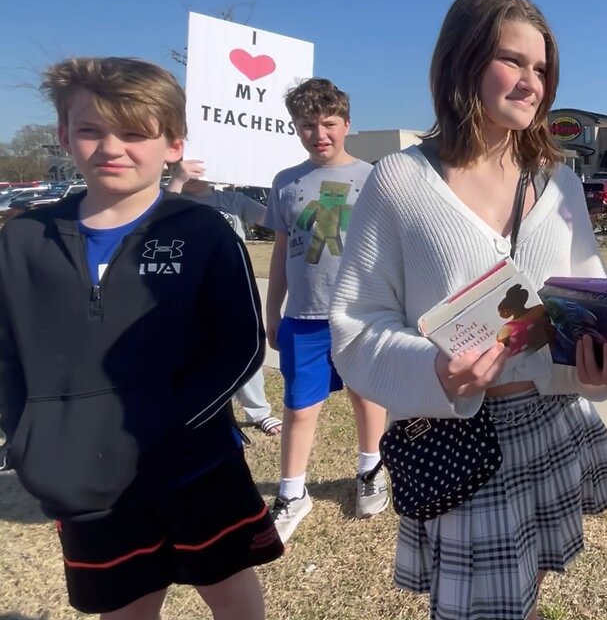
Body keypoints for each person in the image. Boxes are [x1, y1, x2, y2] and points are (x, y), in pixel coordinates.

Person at [328, 0, 607, 620]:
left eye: (542, 68)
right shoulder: (400, 182)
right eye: (512, 61)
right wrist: (433, 369)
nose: (531, 83)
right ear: (462, 62)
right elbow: (356, 328)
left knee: (531, 589)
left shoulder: (559, 182)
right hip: (459, 437)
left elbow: (585, 296)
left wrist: (604, 362)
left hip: (554, 423)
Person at [0, 57, 282, 619]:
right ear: (63, 136)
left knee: (231, 593)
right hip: (85, 475)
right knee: (124, 605)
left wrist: (165, 426)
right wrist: (29, 437)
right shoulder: (23, 239)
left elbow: (241, 345)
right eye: (90, 130)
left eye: (134, 132)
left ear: (173, 144)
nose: (112, 147)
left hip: (194, 461)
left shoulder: (201, 231)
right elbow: (7, 357)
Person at [261, 78, 389, 541]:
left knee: (366, 396)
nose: (320, 134)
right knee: (298, 407)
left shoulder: (375, 176)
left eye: (329, 123)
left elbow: (392, 247)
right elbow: (280, 252)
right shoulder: (286, 182)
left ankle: (371, 470)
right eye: (307, 125)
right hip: (304, 318)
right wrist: (272, 311)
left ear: (347, 124)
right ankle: (293, 493)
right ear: (295, 128)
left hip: (360, 315)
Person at [168, 158, 283, 437]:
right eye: (181, 162)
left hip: (234, 283)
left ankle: (259, 412)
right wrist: (178, 181)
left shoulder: (232, 200)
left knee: (245, 345)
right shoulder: (170, 199)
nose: (190, 168)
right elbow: (153, 218)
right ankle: (203, 410)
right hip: (188, 289)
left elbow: (274, 220)